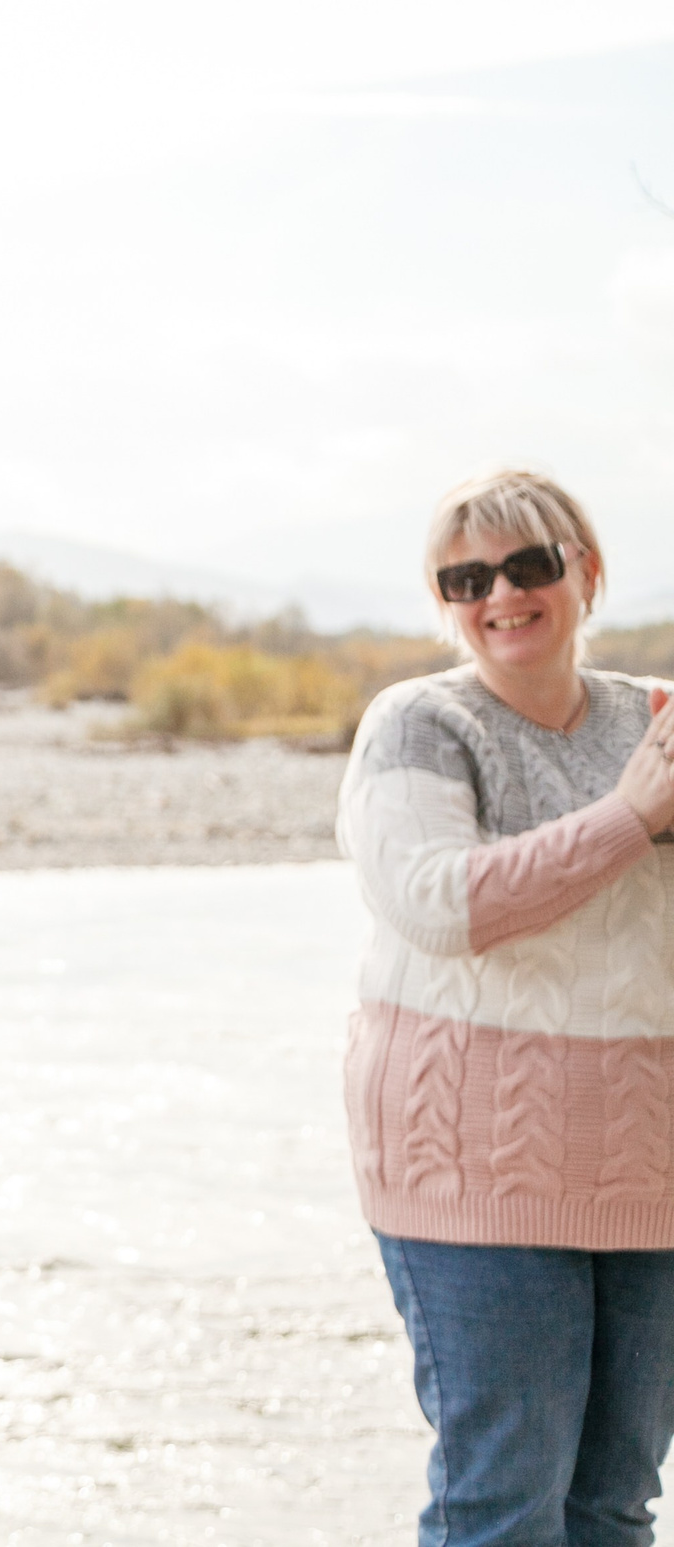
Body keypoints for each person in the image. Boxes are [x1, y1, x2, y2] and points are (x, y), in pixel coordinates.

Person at [339, 468, 674, 1547]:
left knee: (611, 1504)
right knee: (503, 1506)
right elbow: (443, 906)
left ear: (585, 573)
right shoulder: (417, 725)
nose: (499, 594)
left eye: (527, 565)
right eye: (465, 576)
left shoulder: (654, 722)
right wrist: (631, 816)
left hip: (649, 1167)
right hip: (471, 1168)